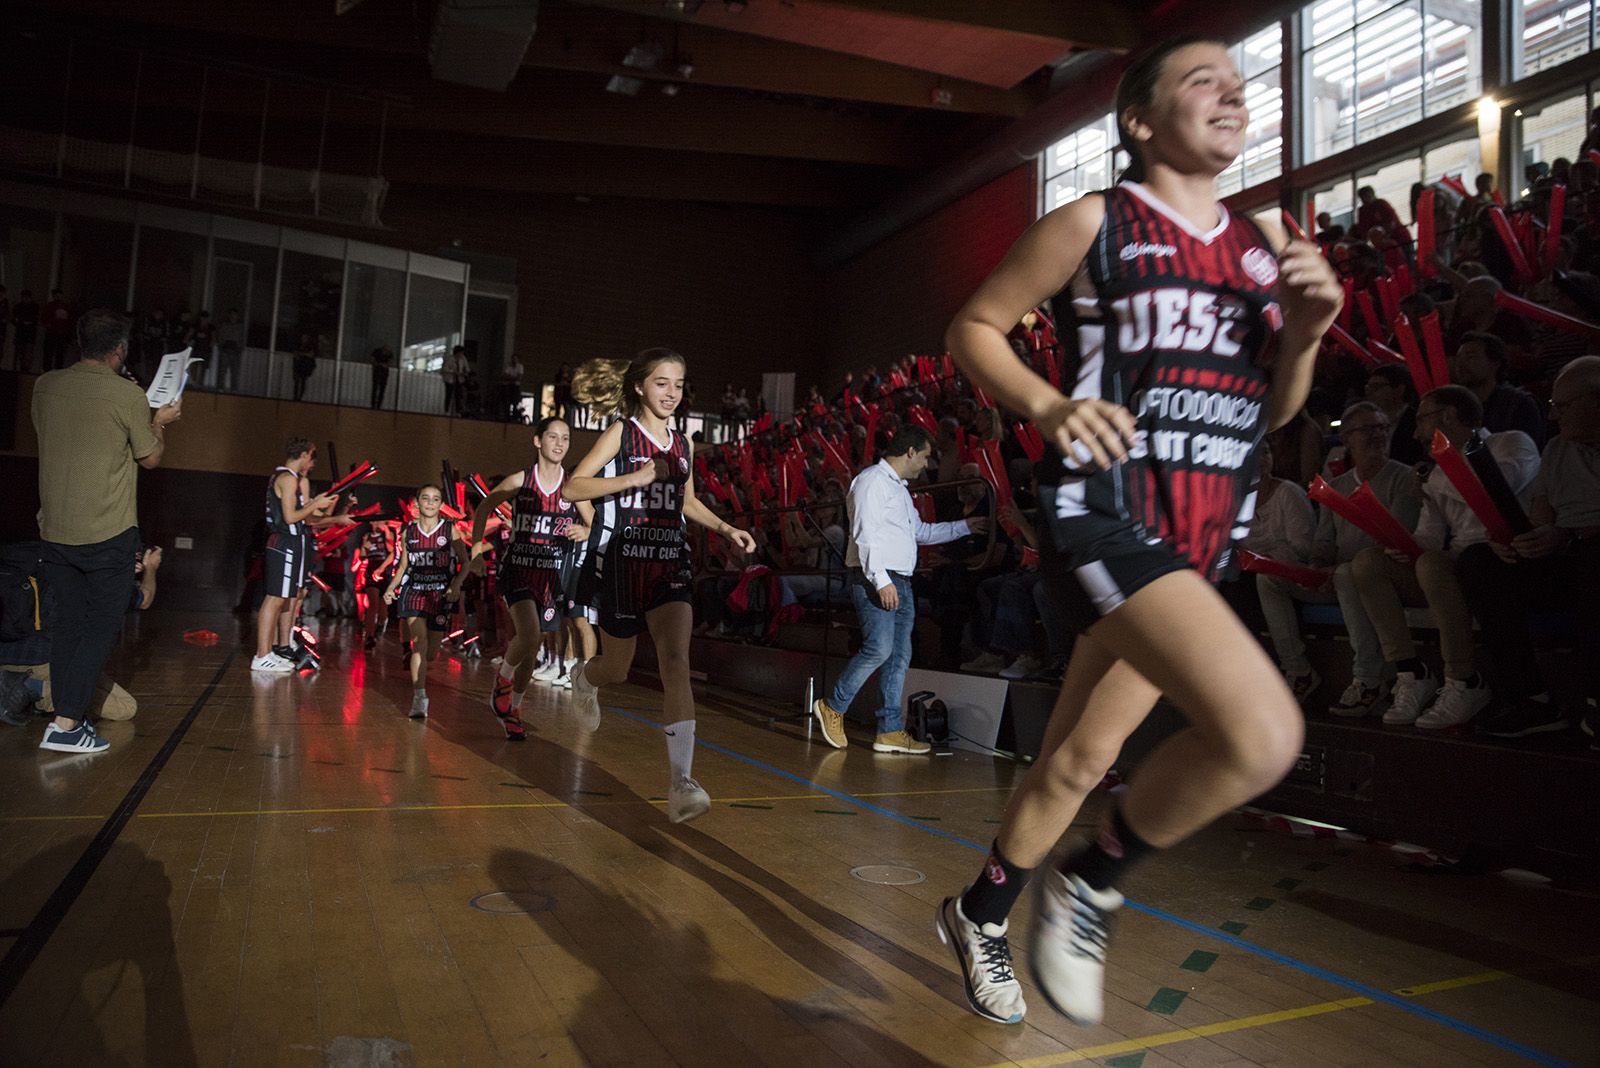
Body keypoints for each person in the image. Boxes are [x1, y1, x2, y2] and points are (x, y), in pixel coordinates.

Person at [933, 36, 1341, 1027]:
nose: (1231, 95)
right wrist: (1046, 405)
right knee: (1262, 734)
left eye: (1239, 86)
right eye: (1203, 80)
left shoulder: (1257, 250)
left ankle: (977, 915)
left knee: (1075, 761)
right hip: (1103, 515)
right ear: (1141, 119)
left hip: (1195, 544)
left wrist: (1306, 331)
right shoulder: (1092, 223)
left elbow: (1273, 414)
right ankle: (1092, 880)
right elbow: (973, 327)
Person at [562, 348, 757, 823]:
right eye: (662, 383)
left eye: (679, 384)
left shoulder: (683, 444)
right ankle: (584, 679)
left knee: (676, 661)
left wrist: (725, 528)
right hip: (624, 563)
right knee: (618, 668)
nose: (672, 393)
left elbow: (686, 501)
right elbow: (572, 488)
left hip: (670, 562)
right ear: (640, 387)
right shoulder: (621, 434)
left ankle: (680, 782)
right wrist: (635, 476)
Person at [31, 310, 183, 753]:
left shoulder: (45, 385)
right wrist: (159, 420)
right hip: (108, 532)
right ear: (119, 350)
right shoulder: (126, 395)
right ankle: (66, 725)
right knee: (98, 629)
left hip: (56, 529)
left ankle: (63, 719)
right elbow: (150, 457)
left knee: (67, 627)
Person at [1351, 385, 1540, 729]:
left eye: (1421, 420)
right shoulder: (1436, 472)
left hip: (1504, 559)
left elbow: (1493, 489)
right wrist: (1400, 545)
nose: (1414, 432)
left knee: (1435, 564)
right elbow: (1429, 536)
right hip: (1452, 564)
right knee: (1369, 563)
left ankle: (1463, 680)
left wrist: (1431, 480)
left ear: (1448, 416)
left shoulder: (1511, 443)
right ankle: (1410, 672)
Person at [808, 429, 988, 746]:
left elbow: (919, 531)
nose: (926, 463)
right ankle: (833, 705)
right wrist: (881, 580)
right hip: (878, 577)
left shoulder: (900, 490)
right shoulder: (872, 481)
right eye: (925, 456)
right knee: (880, 648)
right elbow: (865, 535)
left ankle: (890, 729)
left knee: (899, 657)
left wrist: (964, 527)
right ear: (909, 452)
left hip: (900, 579)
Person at [1457, 357, 1600, 738]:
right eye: (1553, 406)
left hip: (1591, 556)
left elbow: (1565, 532)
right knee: (1479, 561)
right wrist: (1515, 541)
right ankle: (1530, 700)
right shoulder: (1556, 449)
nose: (1554, 416)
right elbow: (1541, 519)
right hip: (1565, 559)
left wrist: (1567, 535)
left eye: (1564, 406)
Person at [472, 418, 594, 740]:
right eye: (553, 437)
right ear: (537, 441)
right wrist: (474, 550)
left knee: (531, 649)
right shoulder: (521, 480)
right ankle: (502, 681)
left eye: (565, 438)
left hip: (552, 576)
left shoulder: (573, 486)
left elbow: (596, 524)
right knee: (527, 635)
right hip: (518, 569)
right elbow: (484, 507)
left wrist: (586, 530)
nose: (559, 443)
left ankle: (514, 706)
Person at [251, 438, 338, 673]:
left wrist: (328, 508)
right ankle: (262, 654)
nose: (311, 463)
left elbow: (307, 517)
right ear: (305, 454)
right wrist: (315, 503)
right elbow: (290, 517)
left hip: (292, 542)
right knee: (274, 598)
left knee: (286, 597)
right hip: (284, 541)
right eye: (311, 457)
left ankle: (274, 650)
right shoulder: (288, 478)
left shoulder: (291, 478)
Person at [383, 485, 470, 719]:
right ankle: (419, 697)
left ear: (442, 505)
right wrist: (391, 588)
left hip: (441, 593)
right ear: (416, 505)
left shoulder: (450, 530)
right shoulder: (408, 532)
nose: (430, 503)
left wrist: (456, 585)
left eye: (435, 499)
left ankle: (421, 685)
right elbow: (403, 566)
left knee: (431, 653)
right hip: (415, 590)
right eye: (425, 498)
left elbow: (465, 562)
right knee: (418, 644)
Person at [1450, 332, 1546, 446]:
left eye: (1470, 357)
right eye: (1458, 359)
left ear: (1495, 363)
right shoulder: (1456, 407)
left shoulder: (1518, 405)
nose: (1461, 364)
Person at [358, 520, 393, 649]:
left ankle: (381, 623)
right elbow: (362, 556)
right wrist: (364, 547)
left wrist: (387, 531)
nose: (377, 524)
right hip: (371, 567)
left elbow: (391, 549)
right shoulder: (367, 536)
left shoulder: (385, 535)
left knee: (383, 608)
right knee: (373, 604)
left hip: (384, 567)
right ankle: (369, 636)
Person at [41, 290, 72, 371]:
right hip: (52, 332)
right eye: (56, 296)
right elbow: (44, 319)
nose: (58, 298)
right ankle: (47, 370)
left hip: (62, 333)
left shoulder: (66, 307)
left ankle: (58, 369)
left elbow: (69, 320)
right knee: (49, 353)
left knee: (60, 353)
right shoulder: (50, 306)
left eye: (60, 296)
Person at [216, 308, 245, 393]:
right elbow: (220, 335)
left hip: (236, 352)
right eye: (231, 314)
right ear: (229, 315)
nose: (233, 316)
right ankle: (220, 387)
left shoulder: (240, 326)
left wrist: (240, 348)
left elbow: (242, 338)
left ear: (237, 316)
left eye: (235, 314)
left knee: (235, 372)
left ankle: (234, 389)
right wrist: (221, 345)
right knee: (222, 370)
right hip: (225, 350)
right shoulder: (224, 324)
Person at [12, 289, 39, 372]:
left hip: (29, 334)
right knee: (20, 353)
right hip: (21, 334)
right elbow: (14, 320)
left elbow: (35, 319)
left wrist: (21, 321)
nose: (25, 299)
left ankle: (25, 369)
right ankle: (18, 369)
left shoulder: (34, 307)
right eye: (24, 297)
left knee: (27, 354)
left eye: (27, 298)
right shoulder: (18, 306)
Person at [441, 344, 469, 416]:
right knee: (449, 395)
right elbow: (444, 369)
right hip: (450, 379)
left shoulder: (463, 359)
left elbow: (467, 368)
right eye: (460, 352)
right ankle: (446, 411)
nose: (461, 354)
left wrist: (465, 372)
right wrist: (453, 372)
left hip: (459, 379)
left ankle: (457, 411)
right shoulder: (450, 359)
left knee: (458, 395)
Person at [291, 333, 317, 402]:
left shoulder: (309, 346)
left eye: (304, 337)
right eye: (302, 337)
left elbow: (311, 355)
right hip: (299, 365)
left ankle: (299, 397)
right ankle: (296, 396)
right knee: (297, 381)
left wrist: (301, 354)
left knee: (302, 381)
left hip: (305, 366)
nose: (303, 339)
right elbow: (295, 354)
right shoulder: (299, 346)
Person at [370, 342, 394, 410]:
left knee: (381, 389)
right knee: (376, 389)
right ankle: (374, 405)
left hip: (382, 372)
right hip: (378, 371)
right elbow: (372, 359)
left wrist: (380, 364)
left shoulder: (389, 354)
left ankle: (377, 406)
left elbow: (390, 363)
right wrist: (382, 365)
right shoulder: (378, 351)